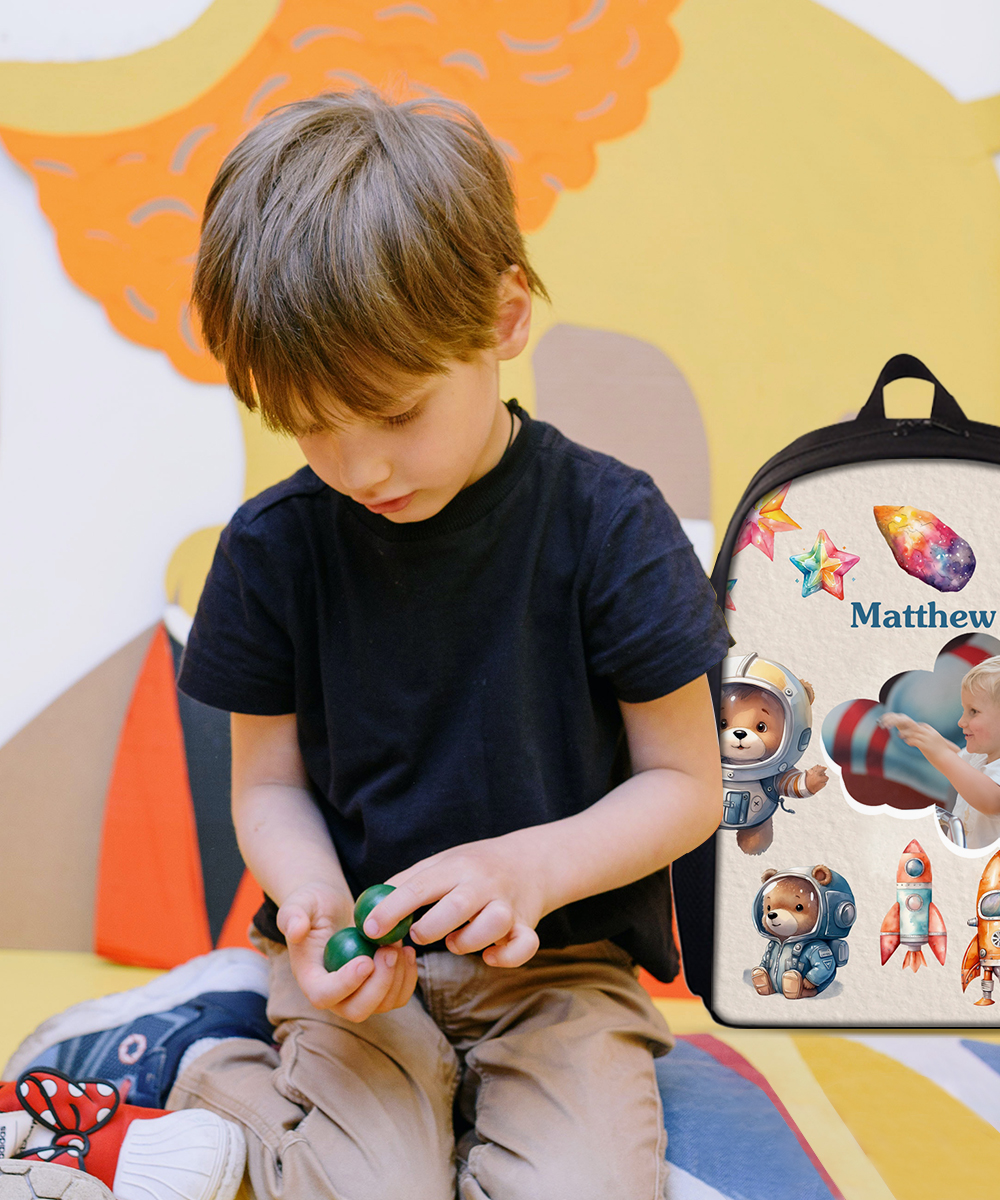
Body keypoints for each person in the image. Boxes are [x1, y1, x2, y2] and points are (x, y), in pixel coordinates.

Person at [11, 88, 727, 1200]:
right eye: (310, 425)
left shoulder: (610, 525)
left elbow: (687, 784)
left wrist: (529, 869)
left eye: (395, 414)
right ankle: (198, 1057)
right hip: (356, 973)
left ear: (504, 320)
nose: (361, 469)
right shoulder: (275, 548)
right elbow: (267, 788)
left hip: (560, 975)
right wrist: (312, 901)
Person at [880, 655, 1000, 849]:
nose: (961, 722)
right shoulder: (988, 752)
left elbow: (992, 801)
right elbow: (961, 763)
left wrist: (941, 754)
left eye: (973, 711)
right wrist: (922, 735)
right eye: (964, 710)